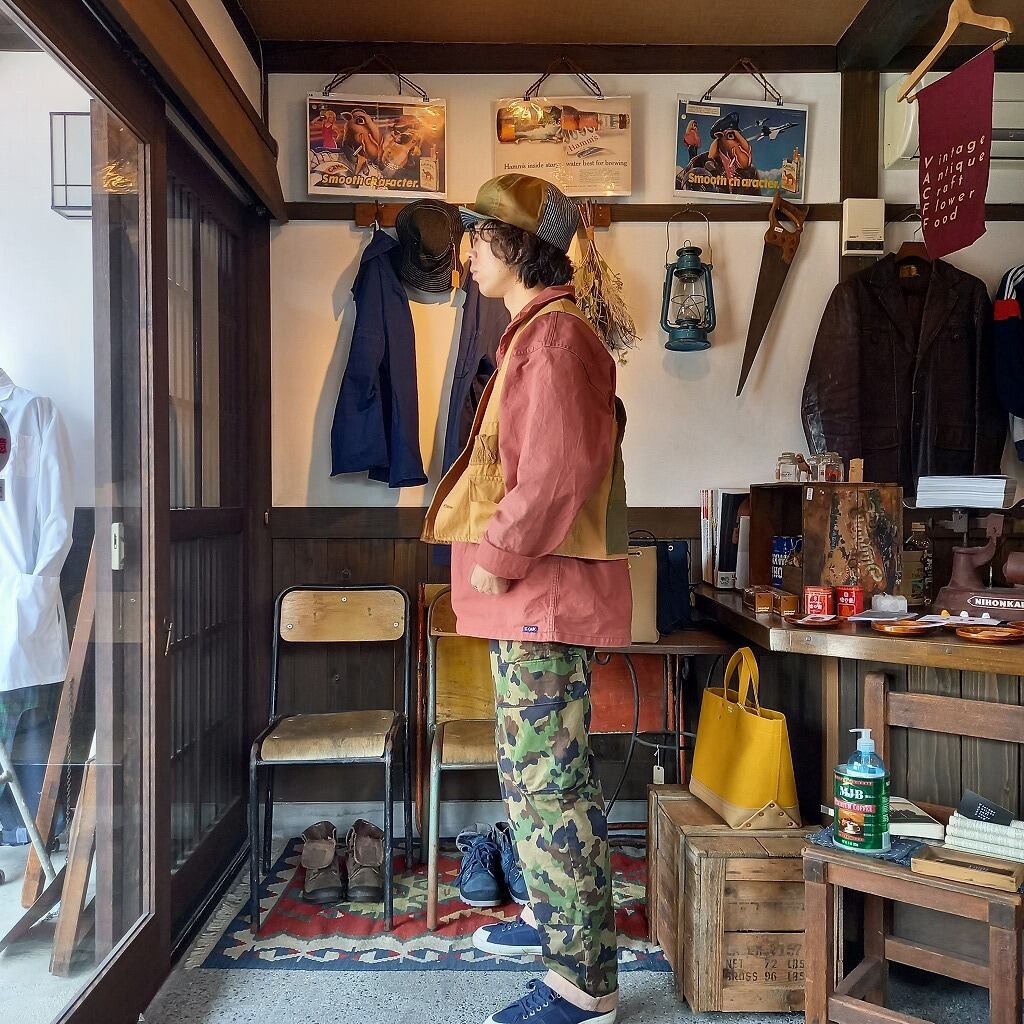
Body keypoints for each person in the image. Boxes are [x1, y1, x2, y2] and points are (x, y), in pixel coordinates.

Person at [422, 174, 632, 1024]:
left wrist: (501, 553)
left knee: (550, 790)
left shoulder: (553, 337)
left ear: (515, 245)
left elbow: (556, 470)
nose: (466, 253)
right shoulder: (540, 332)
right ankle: (554, 924)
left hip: (540, 594)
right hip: (535, 598)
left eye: (478, 236)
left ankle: (584, 986)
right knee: (536, 780)